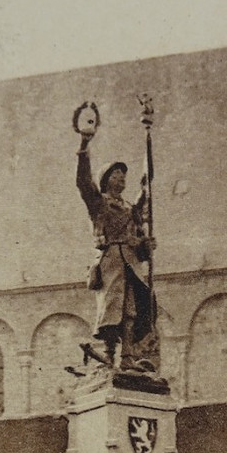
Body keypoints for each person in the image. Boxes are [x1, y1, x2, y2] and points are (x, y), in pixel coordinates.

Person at [76, 131, 157, 370]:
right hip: (110, 261)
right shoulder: (98, 203)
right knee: (111, 309)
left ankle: (128, 355)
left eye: (123, 176)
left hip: (130, 262)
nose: (121, 180)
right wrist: (84, 145)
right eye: (116, 175)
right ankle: (110, 355)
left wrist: (146, 245)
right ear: (106, 180)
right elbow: (83, 181)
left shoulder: (131, 209)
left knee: (131, 309)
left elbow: (145, 192)